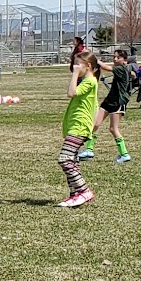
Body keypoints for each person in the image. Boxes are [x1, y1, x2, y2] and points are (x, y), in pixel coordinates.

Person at [57, 50, 100, 208]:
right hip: (76, 125)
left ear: (88, 66)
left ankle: (84, 190)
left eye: (77, 64)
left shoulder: (89, 81)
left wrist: (74, 74)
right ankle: (74, 194)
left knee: (64, 159)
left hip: (79, 127)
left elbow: (71, 93)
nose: (74, 67)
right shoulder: (89, 81)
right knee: (72, 160)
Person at [83, 47, 135, 163]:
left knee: (113, 128)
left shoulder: (121, 68)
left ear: (125, 60)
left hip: (118, 102)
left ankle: (124, 154)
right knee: (95, 124)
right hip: (109, 100)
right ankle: (89, 150)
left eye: (118, 57)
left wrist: (92, 56)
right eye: (114, 57)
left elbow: (105, 67)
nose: (115, 59)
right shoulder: (122, 68)